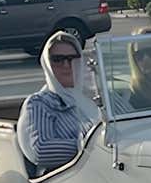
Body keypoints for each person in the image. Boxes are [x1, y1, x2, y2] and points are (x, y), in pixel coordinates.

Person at [17, 31, 99, 174]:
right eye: (57, 59)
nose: (66, 65)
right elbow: (39, 150)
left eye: (72, 58)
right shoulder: (39, 103)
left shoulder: (96, 95)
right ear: (48, 64)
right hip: (64, 182)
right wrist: (93, 146)